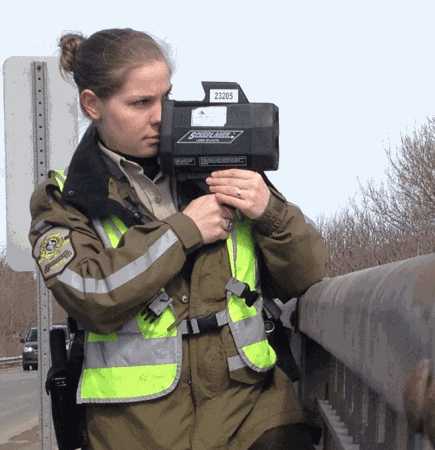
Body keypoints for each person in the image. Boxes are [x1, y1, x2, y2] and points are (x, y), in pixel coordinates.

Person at [28, 28, 328, 450]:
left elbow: (309, 274)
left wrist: (270, 212)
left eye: (165, 98)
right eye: (140, 103)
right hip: (137, 430)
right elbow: (89, 292)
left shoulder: (220, 158)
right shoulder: (66, 196)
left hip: (253, 414)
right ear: (92, 104)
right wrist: (183, 230)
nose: (160, 116)